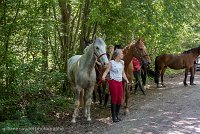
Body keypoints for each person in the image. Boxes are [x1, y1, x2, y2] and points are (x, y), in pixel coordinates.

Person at [102, 49, 129, 122]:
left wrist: (127, 80)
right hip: (113, 81)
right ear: (117, 55)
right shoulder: (111, 62)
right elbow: (106, 71)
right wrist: (103, 76)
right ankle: (113, 117)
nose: (123, 54)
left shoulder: (122, 63)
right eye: (121, 53)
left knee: (120, 98)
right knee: (114, 98)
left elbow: (123, 73)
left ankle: (117, 115)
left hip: (120, 82)